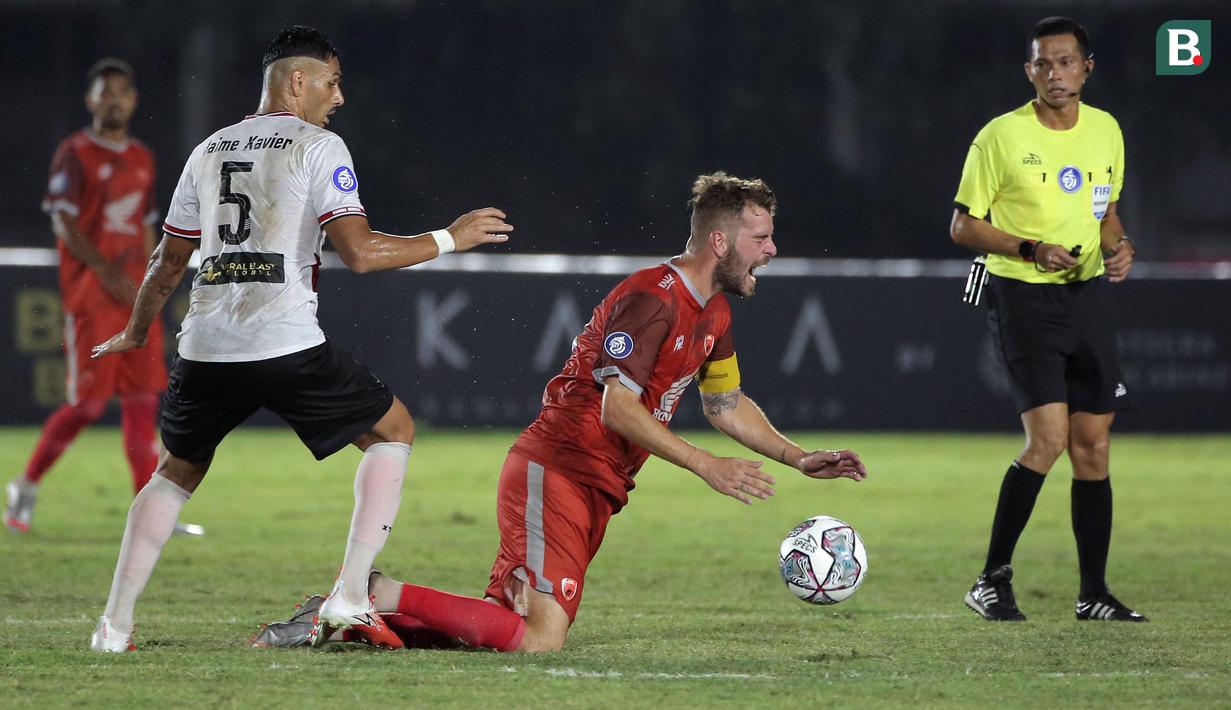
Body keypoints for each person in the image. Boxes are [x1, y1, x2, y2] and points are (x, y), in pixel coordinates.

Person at [254, 171, 867, 653]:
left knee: (499, 627)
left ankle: (338, 618)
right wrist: (706, 466)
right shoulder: (654, 299)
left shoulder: (716, 314)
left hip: (594, 485)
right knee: (542, 638)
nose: (772, 249)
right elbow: (618, 409)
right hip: (560, 469)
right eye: (760, 238)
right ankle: (373, 592)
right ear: (719, 240)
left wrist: (798, 456)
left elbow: (726, 403)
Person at [85, 26, 514, 652]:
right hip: (283, 342)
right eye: (332, 82)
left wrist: (134, 329)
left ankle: (113, 628)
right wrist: (448, 237)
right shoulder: (319, 146)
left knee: (173, 473)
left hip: (206, 346)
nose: (338, 97)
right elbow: (360, 253)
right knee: (393, 431)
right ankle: (350, 596)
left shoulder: (208, 150)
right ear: (297, 81)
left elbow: (168, 262)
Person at [950, 17, 1145, 622]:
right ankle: (990, 580)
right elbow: (963, 226)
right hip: (1021, 296)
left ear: (1087, 67)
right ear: (1029, 71)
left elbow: (1104, 210)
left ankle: (1093, 595)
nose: (1054, 73)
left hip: (1084, 297)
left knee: (1094, 444)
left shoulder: (1106, 130)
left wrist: (1119, 244)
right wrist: (1029, 248)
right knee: (1050, 440)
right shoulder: (1000, 138)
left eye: (1065, 62)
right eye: (1043, 63)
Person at [4, 59, 203, 537]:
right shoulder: (74, 152)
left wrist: (154, 277)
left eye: (122, 91)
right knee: (89, 406)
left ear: (133, 100)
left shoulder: (142, 157)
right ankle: (25, 485)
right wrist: (103, 270)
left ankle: (147, 513)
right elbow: (63, 221)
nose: (114, 98)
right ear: (90, 99)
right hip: (93, 295)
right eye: (105, 91)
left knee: (140, 401)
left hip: (135, 294)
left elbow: (147, 224)